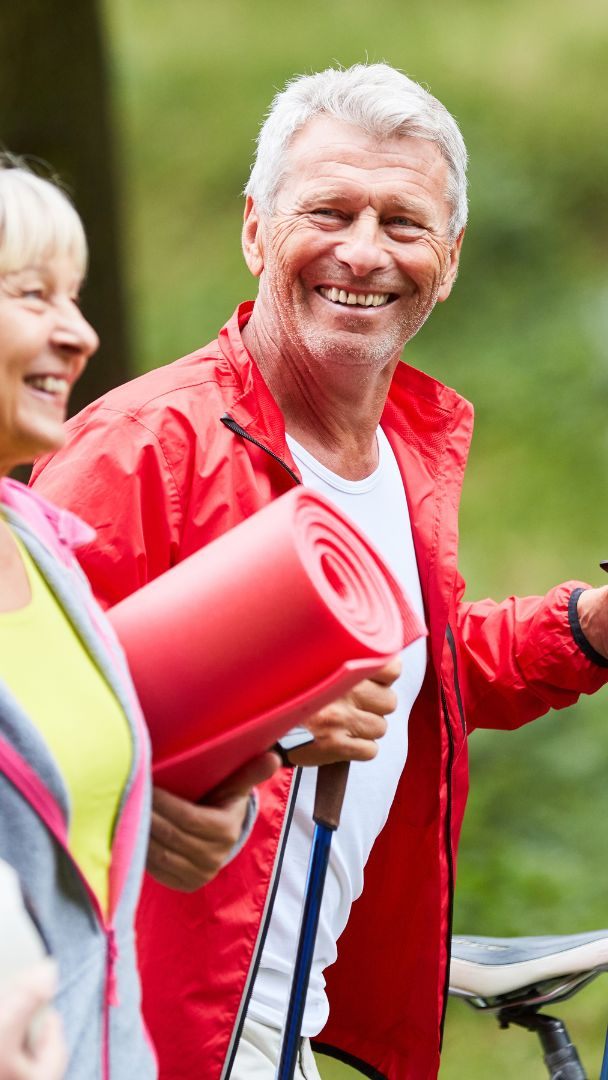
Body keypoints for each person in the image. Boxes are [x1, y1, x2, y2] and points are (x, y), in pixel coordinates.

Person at [31, 63, 608, 1080]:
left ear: (450, 256)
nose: (362, 252)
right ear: (255, 229)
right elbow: (33, 723)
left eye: (402, 222)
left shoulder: (405, 446)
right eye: (329, 210)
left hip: (284, 1009)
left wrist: (587, 627)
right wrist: (200, 763)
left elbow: (411, 674)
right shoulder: (140, 450)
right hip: (147, 1024)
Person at [0, 158, 277, 1079]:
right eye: (33, 295)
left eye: (74, 297)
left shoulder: (40, 539)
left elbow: (85, 810)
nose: (79, 333)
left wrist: (195, 800)